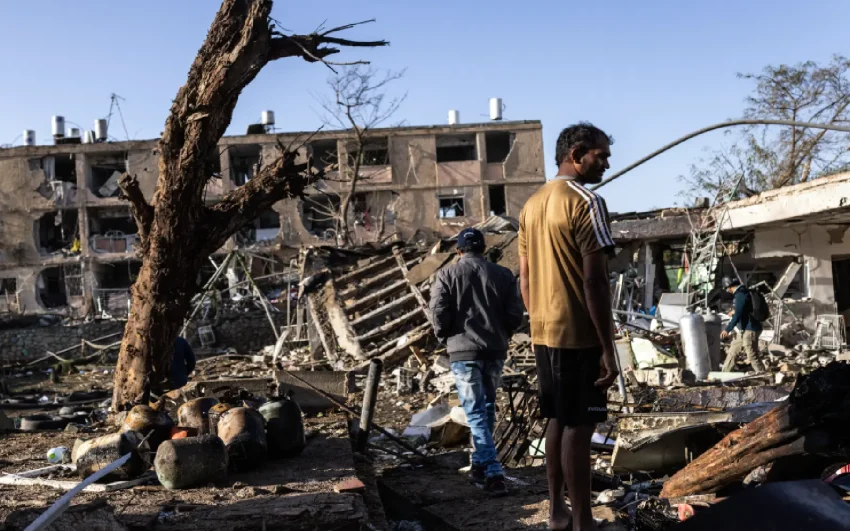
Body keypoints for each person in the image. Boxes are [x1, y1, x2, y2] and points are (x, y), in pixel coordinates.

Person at [519, 123, 619, 531]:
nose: (607, 164)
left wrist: (540, 319)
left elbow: (525, 279)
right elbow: (594, 281)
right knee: (580, 425)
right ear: (576, 155)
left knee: (557, 420)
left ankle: (558, 513)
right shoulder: (587, 202)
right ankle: (583, 521)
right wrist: (607, 346)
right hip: (578, 334)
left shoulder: (531, 205)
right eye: (601, 155)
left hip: (544, 333)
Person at [429, 227, 524, 495]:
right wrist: (502, 333)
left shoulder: (447, 274)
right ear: (484, 249)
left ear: (459, 250)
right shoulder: (503, 274)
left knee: (475, 412)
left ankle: (493, 472)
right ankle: (479, 466)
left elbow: (438, 312)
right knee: (487, 408)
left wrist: (445, 336)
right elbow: (515, 314)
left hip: (463, 352)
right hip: (494, 351)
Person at [720, 277, 764, 372]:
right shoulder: (744, 292)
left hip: (750, 329)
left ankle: (764, 374)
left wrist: (727, 329)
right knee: (733, 351)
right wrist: (735, 312)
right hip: (744, 329)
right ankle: (724, 373)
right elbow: (745, 309)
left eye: (726, 289)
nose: (727, 291)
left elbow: (738, 315)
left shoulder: (740, 295)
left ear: (729, 287)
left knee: (752, 354)